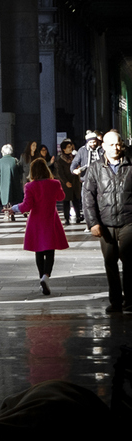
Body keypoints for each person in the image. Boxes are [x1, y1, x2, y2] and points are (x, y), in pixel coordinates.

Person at [83, 131, 132, 314]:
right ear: (103, 146)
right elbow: (88, 197)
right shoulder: (95, 168)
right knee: (110, 262)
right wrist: (93, 222)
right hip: (105, 222)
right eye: (111, 145)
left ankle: (130, 301)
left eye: (118, 144)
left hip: (129, 220)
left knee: (129, 260)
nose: (116, 148)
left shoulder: (130, 164)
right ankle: (116, 302)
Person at [9, 158, 68, 296]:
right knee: (50, 251)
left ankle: (41, 278)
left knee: (39, 252)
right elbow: (61, 197)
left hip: (36, 221)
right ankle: (46, 276)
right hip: (51, 220)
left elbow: (27, 205)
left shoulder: (30, 186)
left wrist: (14, 208)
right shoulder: (55, 183)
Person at [71, 130, 103, 221]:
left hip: (101, 178)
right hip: (87, 178)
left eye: (94, 142)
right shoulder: (82, 150)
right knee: (87, 200)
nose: (93, 144)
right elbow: (74, 162)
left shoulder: (101, 150)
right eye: (90, 142)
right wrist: (74, 170)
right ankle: (89, 221)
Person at [0, 144, 23, 221]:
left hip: (4, 184)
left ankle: (6, 213)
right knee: (13, 197)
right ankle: (12, 212)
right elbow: (20, 172)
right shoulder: (15, 160)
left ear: (2, 152)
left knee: (5, 198)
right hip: (14, 183)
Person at [55, 140, 81, 224]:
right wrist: (65, 182)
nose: (70, 149)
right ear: (64, 149)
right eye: (68, 147)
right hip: (66, 183)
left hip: (75, 182)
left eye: (71, 147)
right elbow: (60, 173)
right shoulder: (60, 160)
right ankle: (66, 218)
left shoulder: (75, 157)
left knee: (76, 200)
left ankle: (78, 216)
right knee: (66, 201)